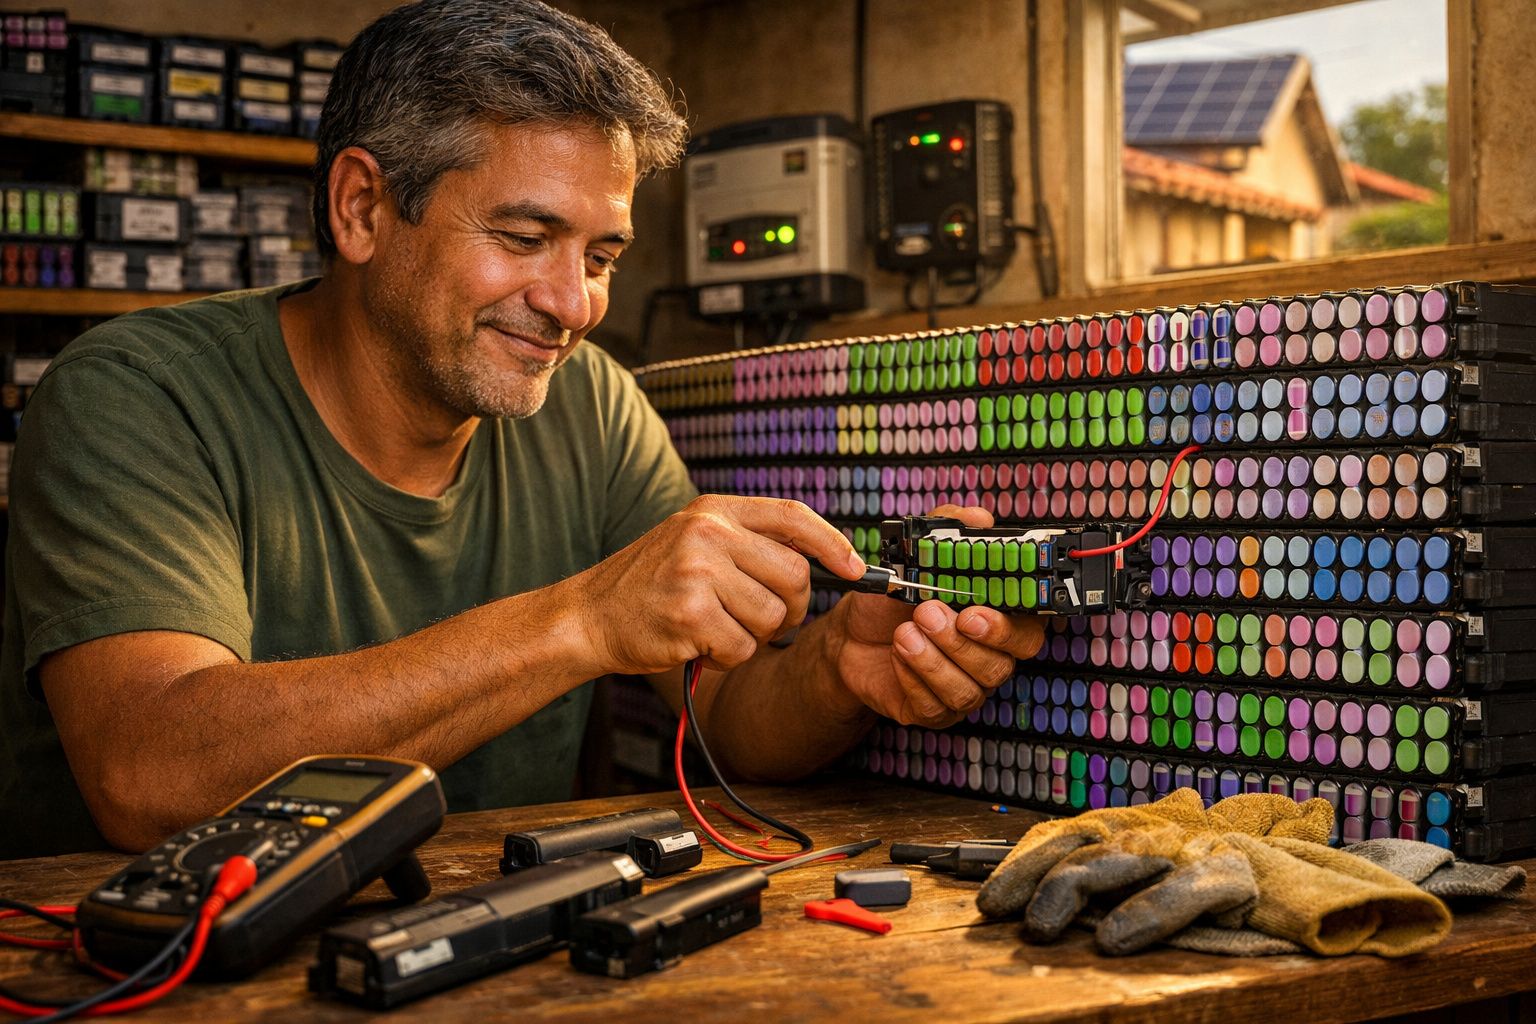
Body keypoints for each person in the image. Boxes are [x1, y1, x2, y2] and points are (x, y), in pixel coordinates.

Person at [0, 0, 1042, 860]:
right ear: (361, 208)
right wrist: (584, 617)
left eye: (599, 256)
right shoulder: (137, 395)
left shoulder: (588, 404)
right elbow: (152, 775)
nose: (574, 304)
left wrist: (834, 672)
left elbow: (723, 712)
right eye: (524, 237)